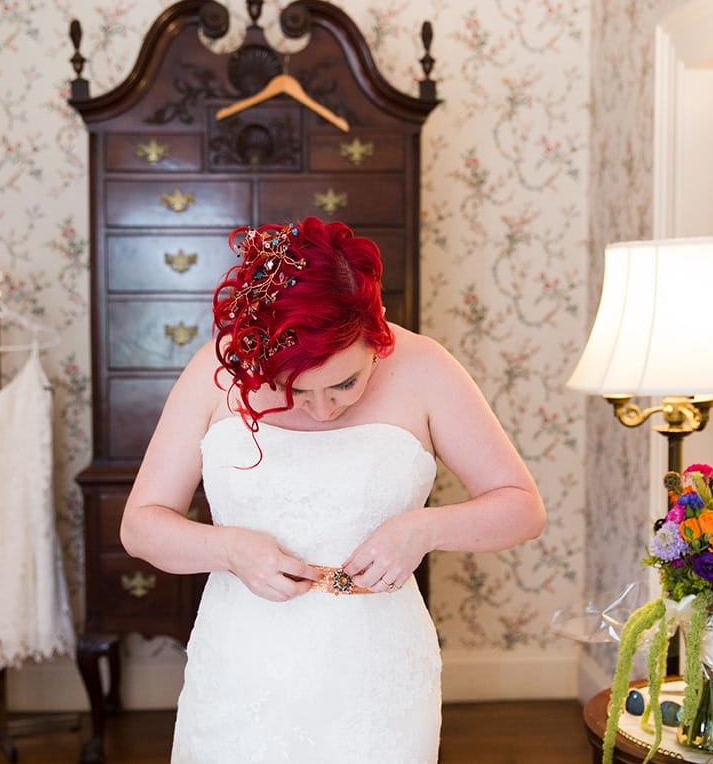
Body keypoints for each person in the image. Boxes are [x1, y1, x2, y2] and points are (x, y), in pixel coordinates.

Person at [120, 217, 545, 763]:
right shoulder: (215, 369)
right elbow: (141, 525)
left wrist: (422, 529)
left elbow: (522, 508)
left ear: (378, 335)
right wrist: (228, 549)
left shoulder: (428, 370)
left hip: (376, 675)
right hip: (240, 670)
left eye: (345, 383)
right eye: (291, 388)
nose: (322, 410)